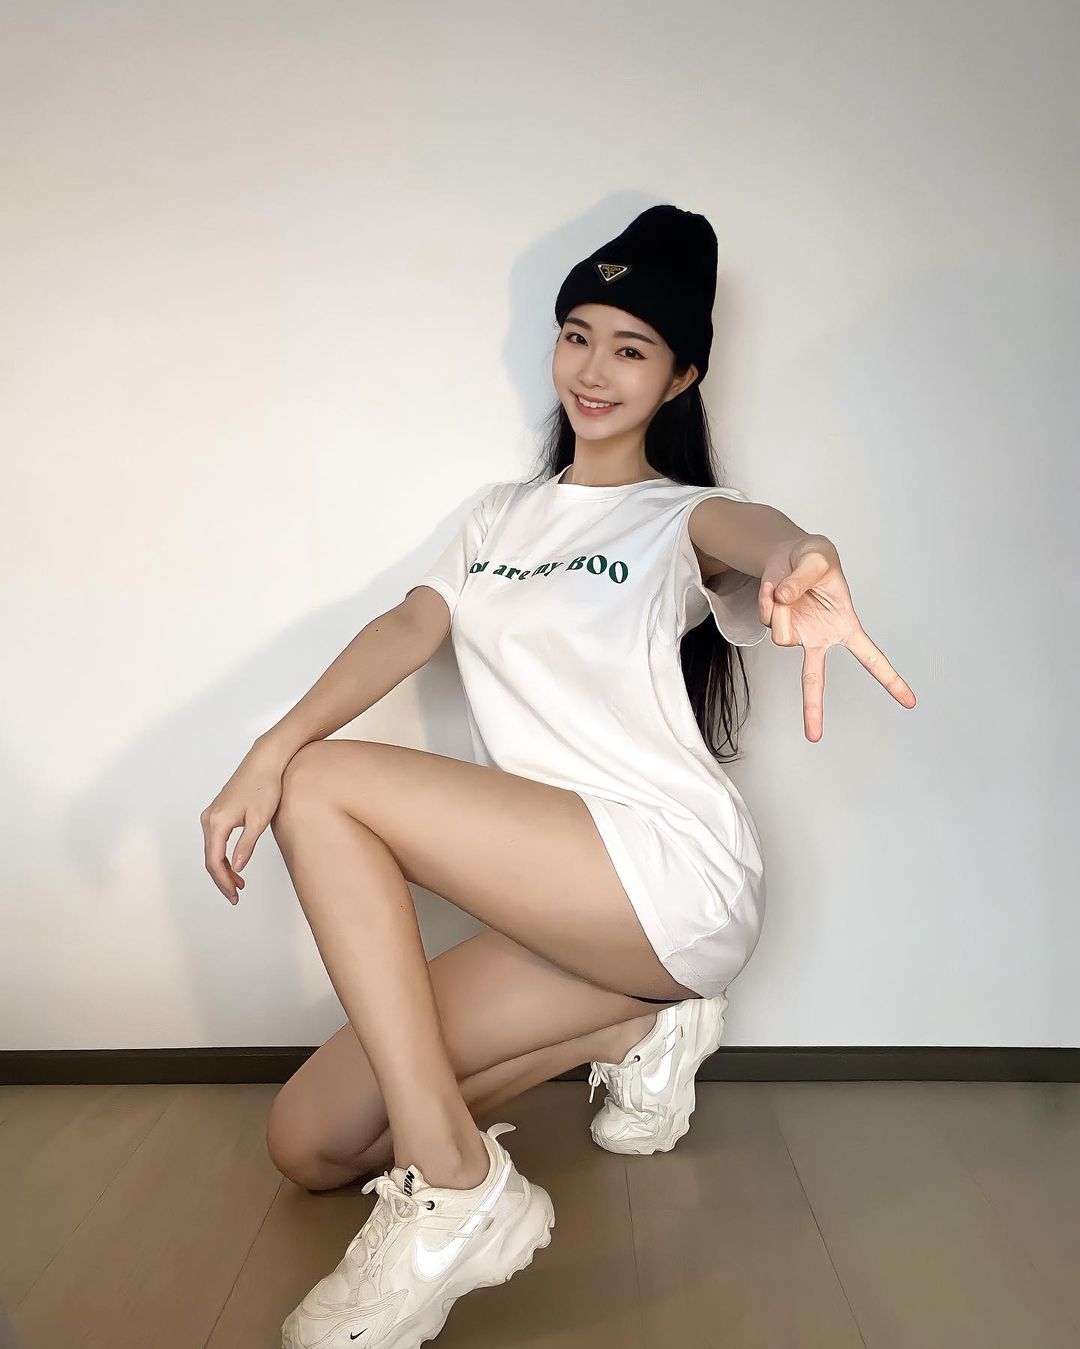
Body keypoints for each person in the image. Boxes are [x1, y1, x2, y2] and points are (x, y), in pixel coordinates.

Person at [200, 204, 916, 1348]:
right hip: (568, 908)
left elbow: (756, 532)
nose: (592, 369)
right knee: (309, 1141)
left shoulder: (677, 517)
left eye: (631, 347)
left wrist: (801, 555)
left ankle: (455, 1186)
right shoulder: (497, 518)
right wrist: (260, 744)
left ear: (681, 376)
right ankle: (635, 1028)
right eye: (577, 334)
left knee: (322, 782)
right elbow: (409, 625)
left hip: (669, 873)